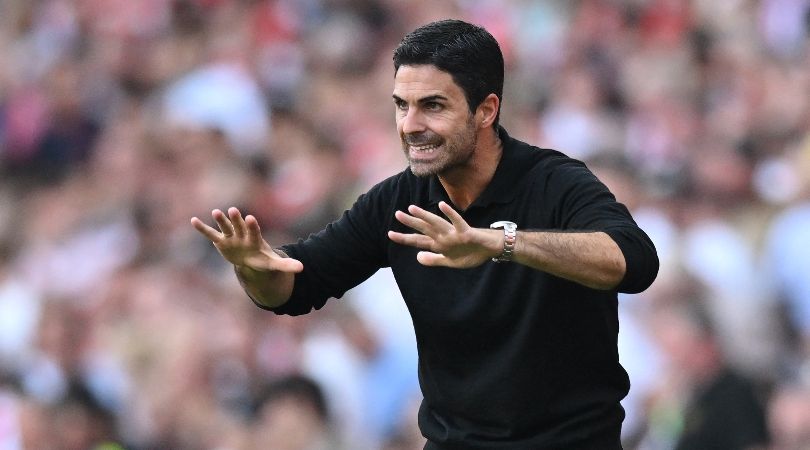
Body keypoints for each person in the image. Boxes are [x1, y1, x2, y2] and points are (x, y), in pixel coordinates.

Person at [191, 19, 659, 449]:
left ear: (486, 110)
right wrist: (254, 270)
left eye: (432, 106)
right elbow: (294, 286)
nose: (411, 125)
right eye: (402, 105)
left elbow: (635, 261)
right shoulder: (397, 200)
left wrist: (502, 243)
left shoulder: (555, 183)